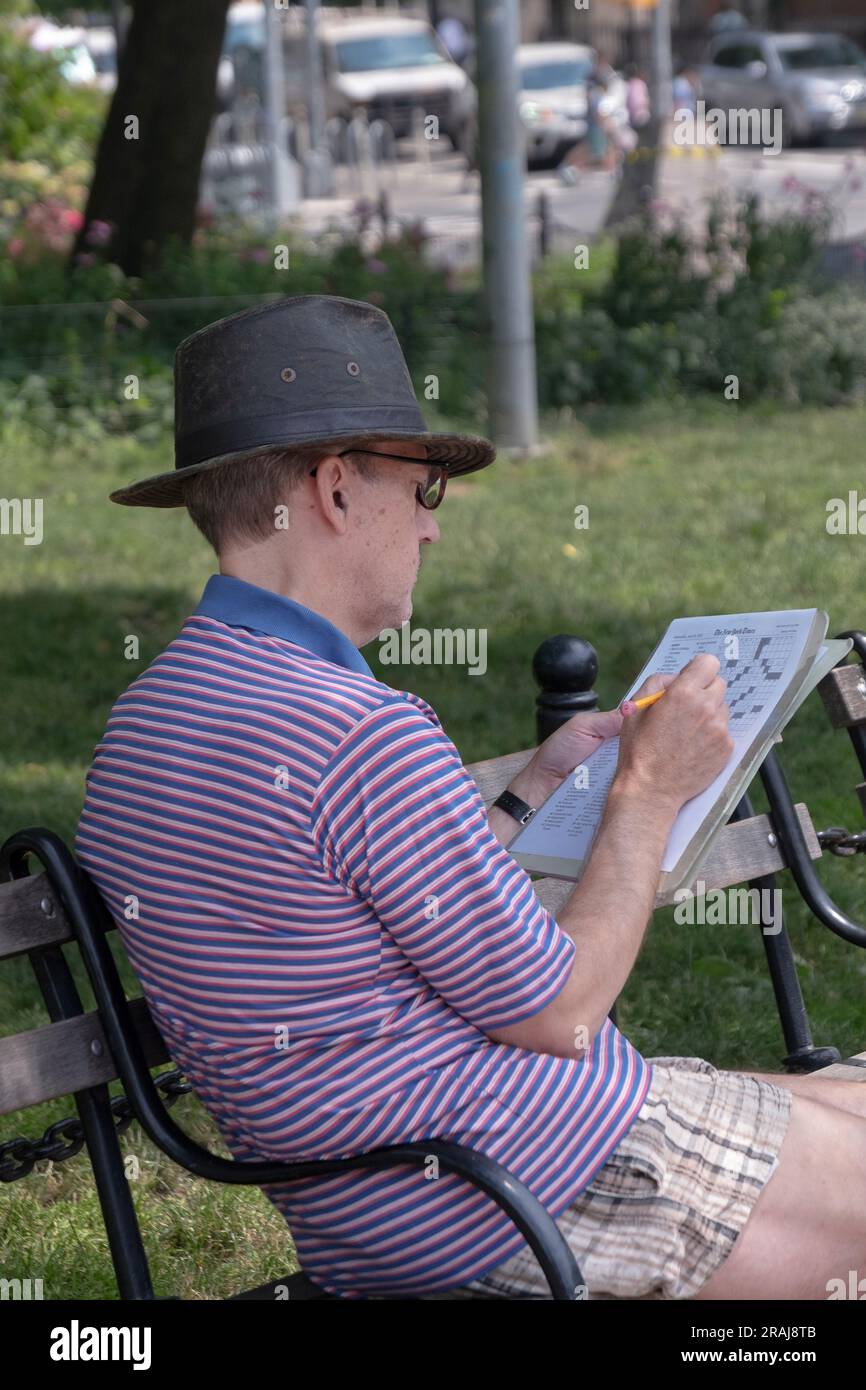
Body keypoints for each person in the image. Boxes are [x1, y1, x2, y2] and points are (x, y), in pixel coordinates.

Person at [77, 294, 866, 1300]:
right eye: (422, 492)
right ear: (330, 487)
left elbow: (346, 934)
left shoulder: (142, 728)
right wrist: (645, 791)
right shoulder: (354, 731)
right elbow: (563, 1013)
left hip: (383, 1209)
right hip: (530, 1195)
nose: (429, 530)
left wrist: (529, 789)